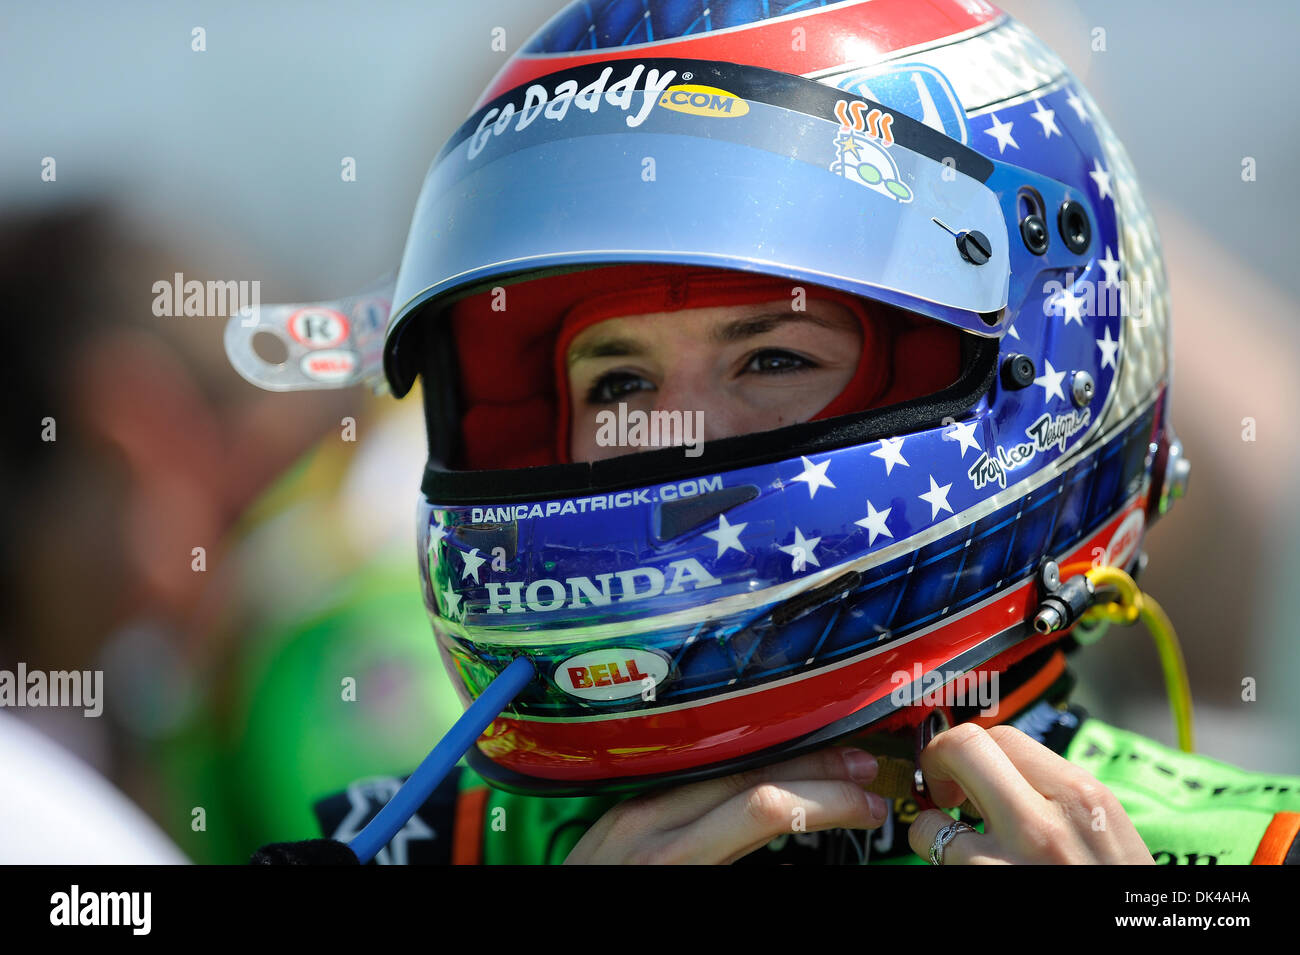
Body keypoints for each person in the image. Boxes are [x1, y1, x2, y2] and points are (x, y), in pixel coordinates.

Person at [244, 0, 1300, 864]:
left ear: (1031, 371)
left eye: (774, 360)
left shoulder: (1245, 853)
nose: (679, 435)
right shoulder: (401, 846)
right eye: (618, 381)